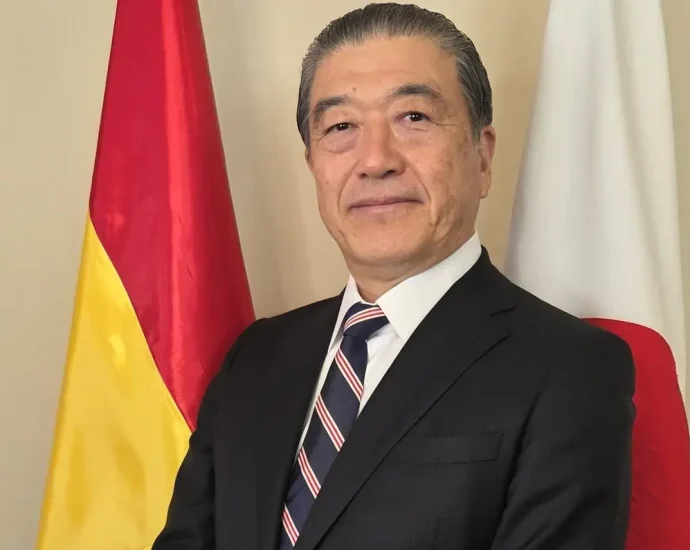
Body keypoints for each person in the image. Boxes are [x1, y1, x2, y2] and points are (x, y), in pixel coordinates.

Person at [152, 3, 635, 549]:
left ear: (482, 158)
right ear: (313, 165)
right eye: (341, 127)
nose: (375, 160)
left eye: (414, 118)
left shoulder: (570, 368)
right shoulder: (255, 356)